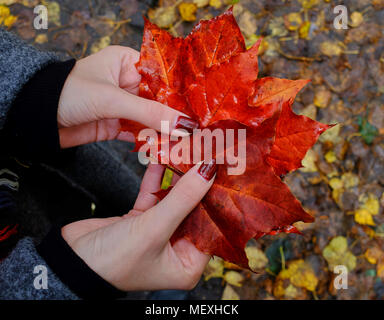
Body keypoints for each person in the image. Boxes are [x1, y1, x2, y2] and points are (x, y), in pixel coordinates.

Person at [0, 29, 216, 299]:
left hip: (44, 163)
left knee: (135, 213)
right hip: (60, 259)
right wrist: (68, 280)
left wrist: (35, 97)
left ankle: (155, 285)